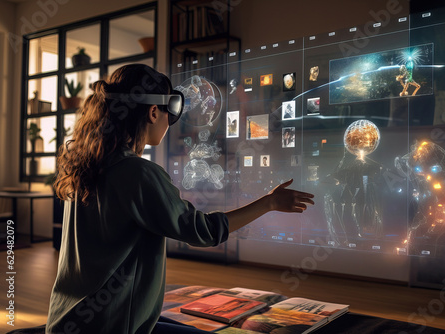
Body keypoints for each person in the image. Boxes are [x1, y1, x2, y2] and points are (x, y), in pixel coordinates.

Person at [46, 64, 314, 334]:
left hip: (67, 323)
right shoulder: (139, 174)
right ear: (153, 112)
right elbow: (203, 232)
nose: (170, 122)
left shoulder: (85, 167)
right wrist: (269, 202)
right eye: (170, 113)